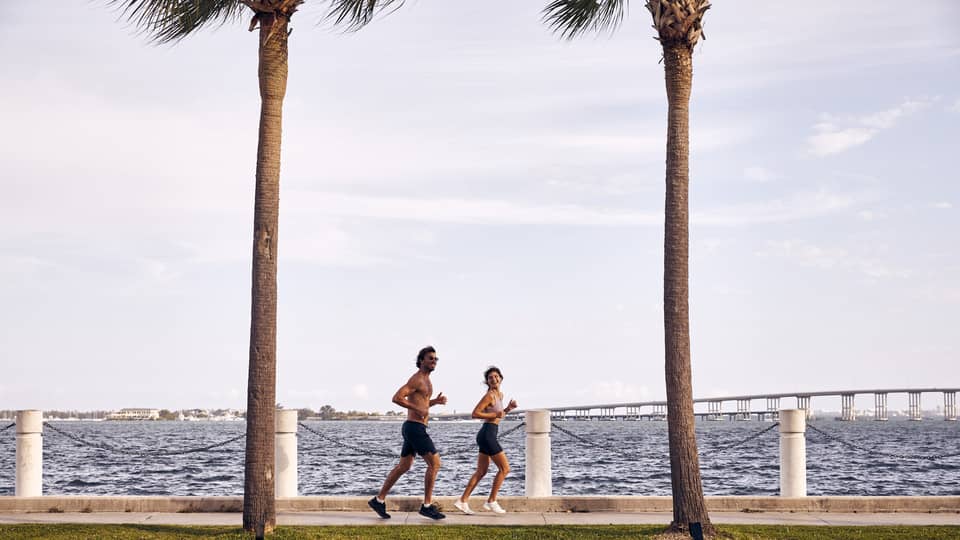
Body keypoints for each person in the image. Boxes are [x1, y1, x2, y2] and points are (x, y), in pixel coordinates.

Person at [368, 346, 448, 520]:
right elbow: (397, 398)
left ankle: (378, 500)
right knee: (434, 464)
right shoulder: (417, 379)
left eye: (435, 359)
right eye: (430, 358)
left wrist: (434, 402)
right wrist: (416, 407)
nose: (434, 361)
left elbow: (422, 402)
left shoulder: (427, 381)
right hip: (415, 428)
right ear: (421, 361)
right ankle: (427, 506)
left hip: (413, 427)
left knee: (404, 466)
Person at [453, 366, 518, 515]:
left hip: (488, 434)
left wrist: (508, 409)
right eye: (490, 378)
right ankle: (491, 501)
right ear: (487, 382)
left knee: (481, 471)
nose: (494, 379)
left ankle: (462, 501)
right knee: (505, 469)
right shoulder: (489, 396)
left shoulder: (499, 395)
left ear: (501, 378)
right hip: (487, 434)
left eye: (496, 376)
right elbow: (475, 414)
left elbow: (498, 415)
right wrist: (496, 413)